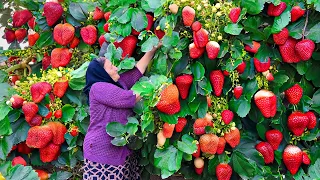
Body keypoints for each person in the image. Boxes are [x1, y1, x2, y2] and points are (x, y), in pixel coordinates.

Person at [82, 42, 160, 180]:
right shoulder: (98, 88)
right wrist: (158, 84)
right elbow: (129, 98)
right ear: (102, 73)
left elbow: (136, 72)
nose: (116, 68)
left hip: (120, 151)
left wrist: (152, 50)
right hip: (102, 154)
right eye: (111, 67)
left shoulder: (117, 84)